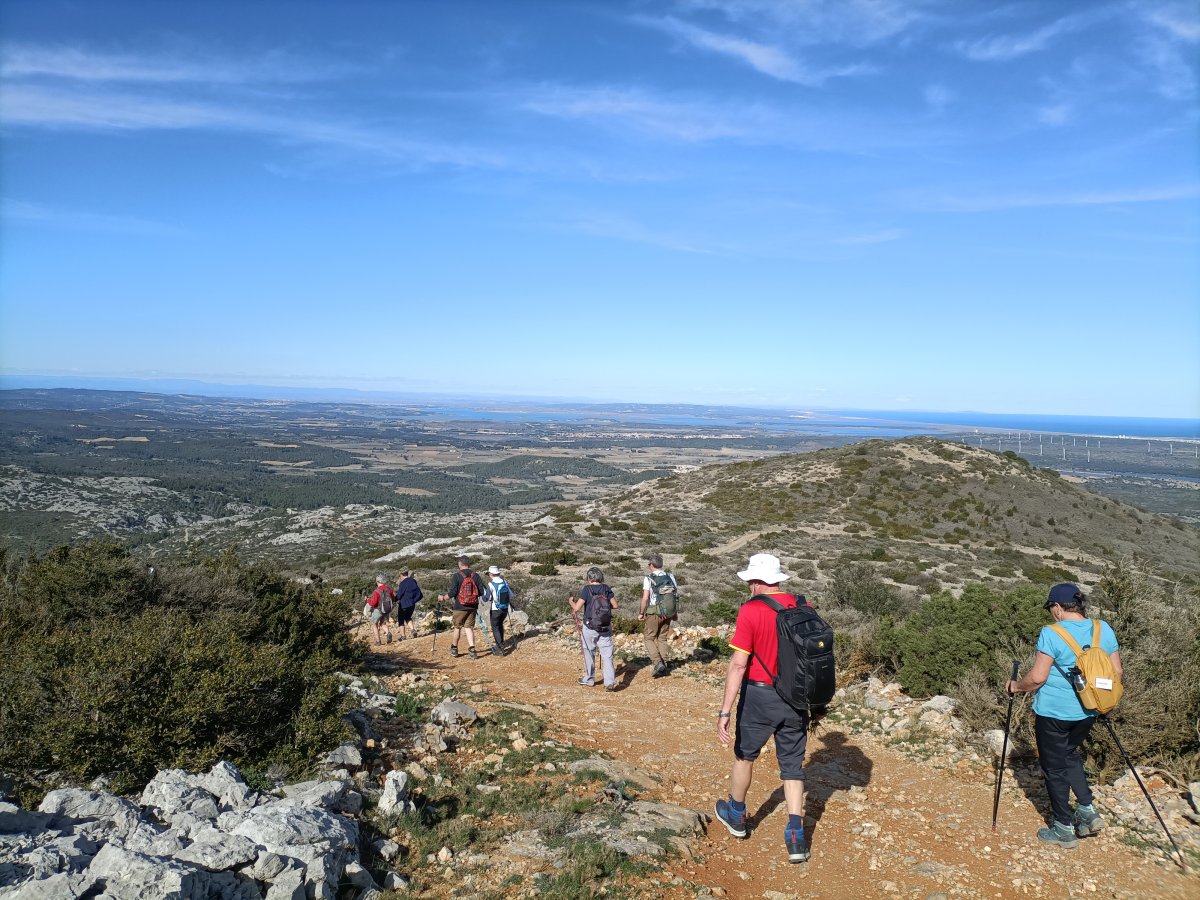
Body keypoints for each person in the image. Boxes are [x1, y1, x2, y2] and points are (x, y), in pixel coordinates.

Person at [1008, 583, 1121, 848]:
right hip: (1089, 710)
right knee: (1070, 754)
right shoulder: (1103, 628)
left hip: (1054, 713)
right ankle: (1087, 811)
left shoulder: (1051, 632)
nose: (1051, 613)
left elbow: (1038, 678)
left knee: (1054, 768)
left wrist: (1016, 687)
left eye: (1050, 608)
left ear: (1058, 607)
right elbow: (1117, 673)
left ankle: (1062, 828)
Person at [714, 553, 810, 864]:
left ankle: (736, 815)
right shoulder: (801, 606)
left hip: (759, 695)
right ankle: (796, 836)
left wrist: (725, 711)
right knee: (793, 767)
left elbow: (738, 664)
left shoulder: (751, 610)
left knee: (745, 756)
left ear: (756, 582)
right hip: (796, 697)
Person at [570, 567, 618, 691]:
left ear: (589, 578)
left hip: (590, 626)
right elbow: (615, 605)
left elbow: (577, 608)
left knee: (589, 652)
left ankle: (589, 679)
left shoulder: (587, 589)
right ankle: (609, 682)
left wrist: (571, 602)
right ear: (601, 577)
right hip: (605, 626)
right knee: (607, 655)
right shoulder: (606, 588)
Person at [639, 553, 678, 678]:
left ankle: (657, 662)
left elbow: (645, 598)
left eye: (649, 564)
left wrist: (641, 613)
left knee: (649, 638)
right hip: (668, 612)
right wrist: (674, 613)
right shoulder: (670, 576)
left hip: (654, 612)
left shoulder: (649, 578)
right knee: (662, 638)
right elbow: (675, 596)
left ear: (652, 565)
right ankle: (664, 665)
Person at [447, 556, 486, 660]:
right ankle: (472, 650)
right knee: (469, 628)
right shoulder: (476, 575)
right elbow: (481, 592)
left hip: (460, 606)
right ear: (469, 564)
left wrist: (443, 597)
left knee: (457, 627)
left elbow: (453, 592)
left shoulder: (457, 575)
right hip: (473, 606)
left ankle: (454, 649)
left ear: (460, 564)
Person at [484, 564, 514, 655]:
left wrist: (482, 596)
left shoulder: (490, 584)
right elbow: (511, 595)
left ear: (491, 574)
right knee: (500, 625)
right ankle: (501, 643)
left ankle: (500, 648)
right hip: (505, 608)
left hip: (495, 609)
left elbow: (487, 598)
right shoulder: (504, 582)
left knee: (495, 627)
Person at [393, 568, 423, 641]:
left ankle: (403, 636)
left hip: (404, 604)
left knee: (401, 620)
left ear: (401, 574)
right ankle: (413, 629)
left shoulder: (403, 583)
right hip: (412, 603)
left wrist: (393, 599)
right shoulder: (413, 581)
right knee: (408, 617)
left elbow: (399, 595)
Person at [367, 574, 395, 645]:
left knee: (374, 624)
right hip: (387, 610)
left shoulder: (376, 591)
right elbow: (393, 599)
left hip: (378, 610)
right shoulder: (389, 589)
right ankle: (388, 633)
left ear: (377, 581)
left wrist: (367, 600)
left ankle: (378, 641)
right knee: (383, 623)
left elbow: (373, 603)